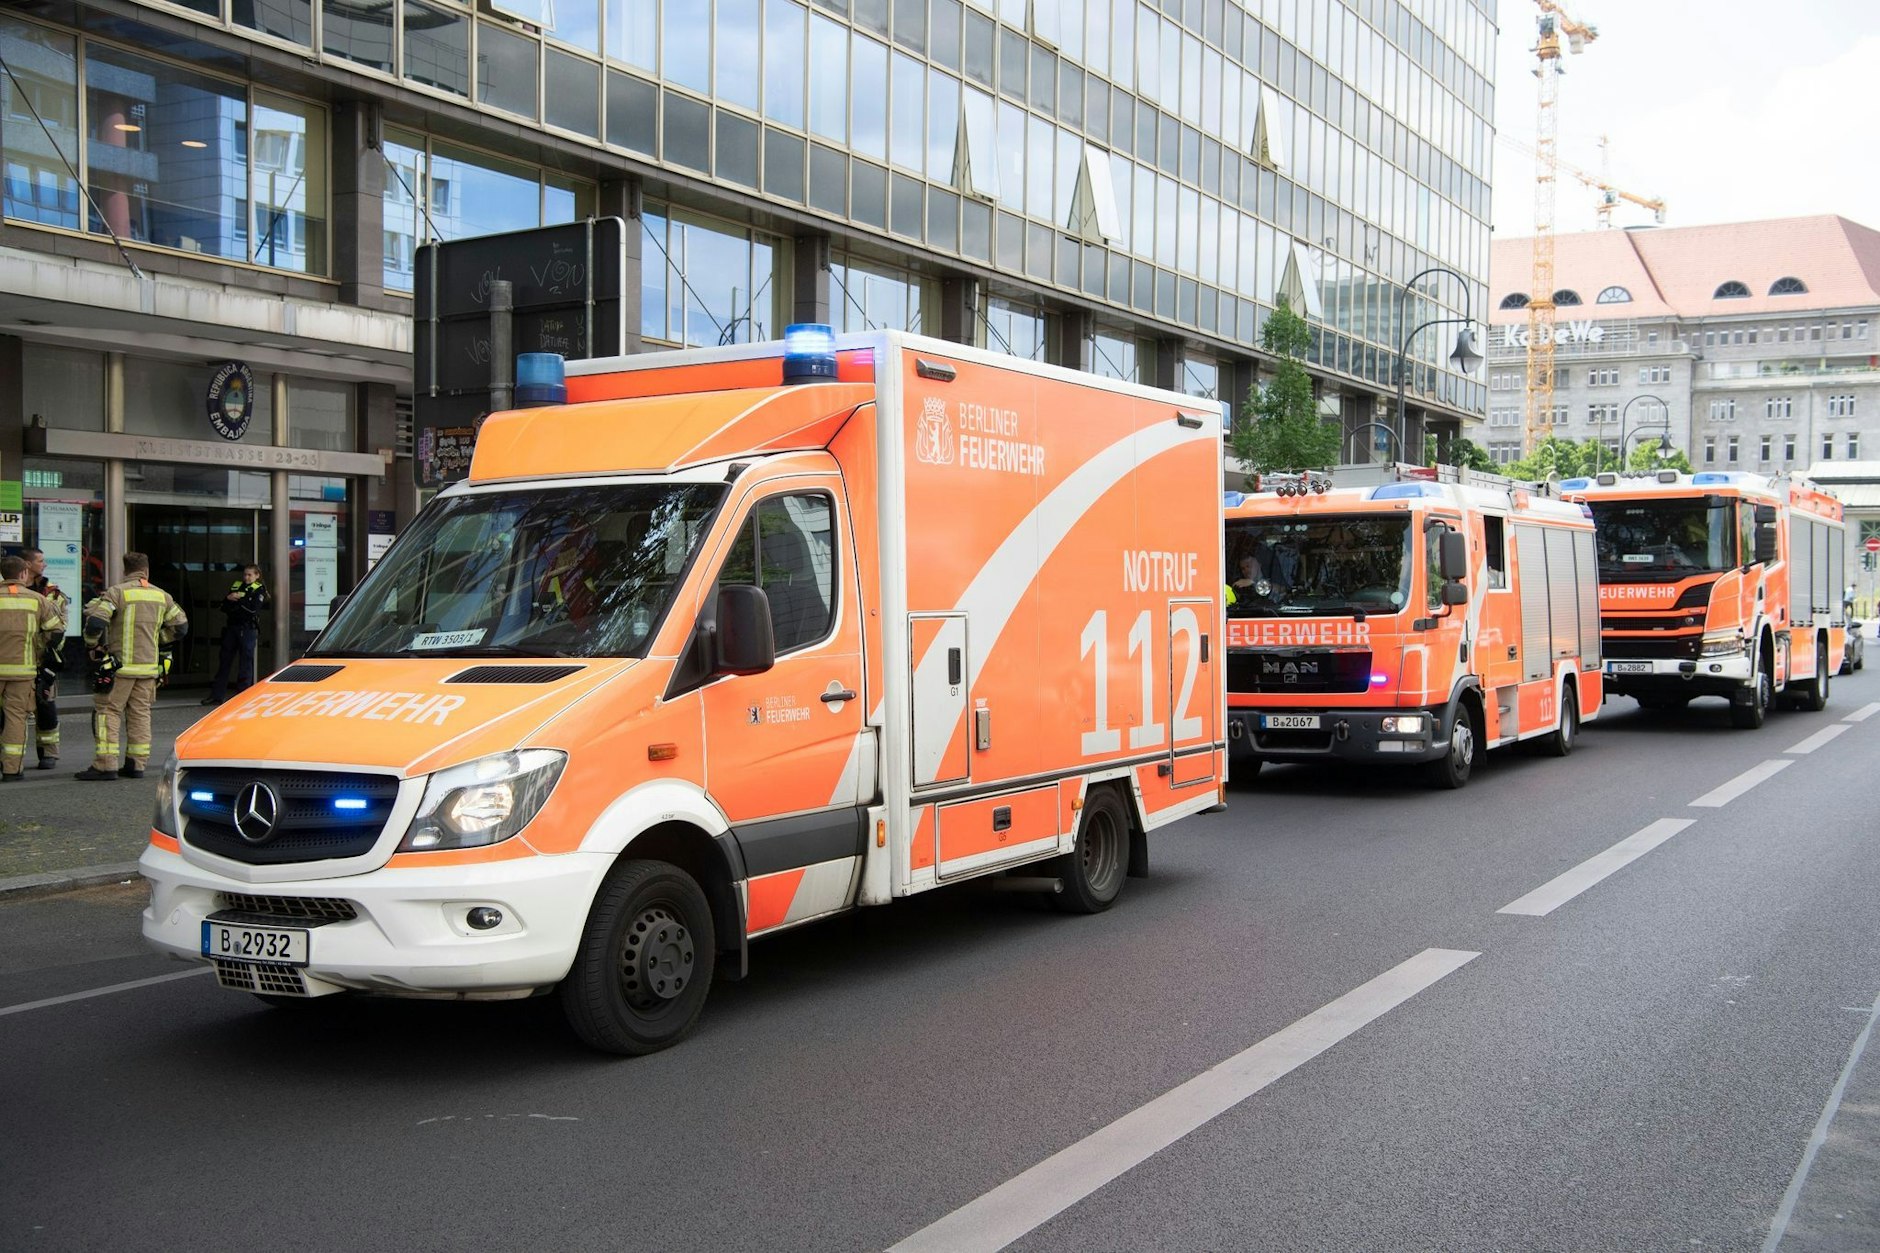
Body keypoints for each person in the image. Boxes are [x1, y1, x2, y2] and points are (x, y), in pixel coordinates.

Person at [76, 552, 187, 782]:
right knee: (140, 714)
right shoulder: (162, 596)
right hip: (147, 669)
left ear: (125, 571)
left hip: (120, 668)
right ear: (146, 571)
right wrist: (159, 639)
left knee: (108, 712)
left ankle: (106, 765)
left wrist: (91, 645)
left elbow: (96, 622)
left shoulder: (117, 592)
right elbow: (181, 628)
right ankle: (136, 764)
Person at [0, 556, 63, 782]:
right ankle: (12, 769)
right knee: (16, 718)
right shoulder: (37, 600)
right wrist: (42, 651)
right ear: (23, 574)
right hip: (23, 671)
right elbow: (56, 632)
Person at [20, 546, 67, 768]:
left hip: (44, 658)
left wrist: (51, 656)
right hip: (16, 659)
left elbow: (60, 628)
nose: (45, 564)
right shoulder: (8, 590)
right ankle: (10, 756)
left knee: (46, 706)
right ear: (27, 565)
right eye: (40, 560)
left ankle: (49, 753)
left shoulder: (52, 593)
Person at [203, 563, 267, 706]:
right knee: (224, 663)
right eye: (245, 574)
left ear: (257, 576)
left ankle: (243, 697)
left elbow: (252, 611)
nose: (246, 577)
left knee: (245, 665)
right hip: (232, 628)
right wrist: (230, 600)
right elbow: (224, 606)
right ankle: (216, 695)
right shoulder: (236, 586)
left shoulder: (259, 590)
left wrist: (237, 600)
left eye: (250, 575)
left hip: (247, 629)